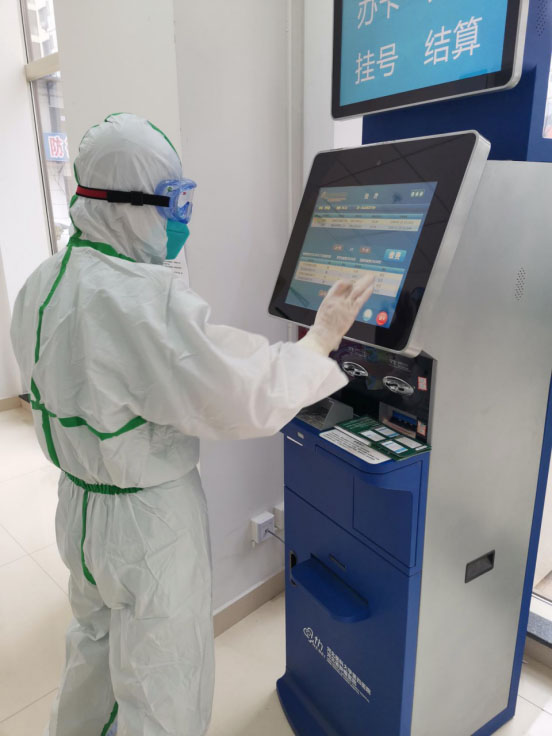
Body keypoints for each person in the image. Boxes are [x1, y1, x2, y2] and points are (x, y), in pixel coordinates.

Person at [10, 113, 375, 736]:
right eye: (175, 201)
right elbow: (241, 389)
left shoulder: (45, 280)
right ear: (128, 205)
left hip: (81, 509)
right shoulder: (141, 301)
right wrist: (321, 339)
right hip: (147, 525)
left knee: (93, 646)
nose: (182, 219)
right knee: (162, 683)